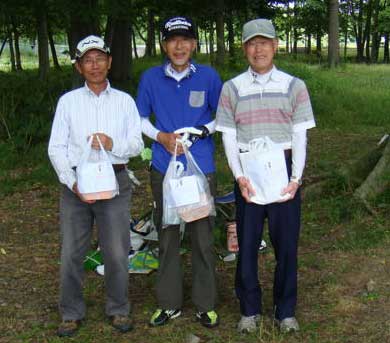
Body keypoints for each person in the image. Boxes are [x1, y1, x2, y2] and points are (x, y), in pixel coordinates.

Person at [216, 19, 316, 333]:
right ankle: (249, 309)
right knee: (246, 245)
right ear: (245, 48)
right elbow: (229, 138)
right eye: (252, 43)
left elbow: (300, 136)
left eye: (264, 43)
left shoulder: (294, 86)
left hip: (284, 171)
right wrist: (239, 177)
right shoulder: (232, 88)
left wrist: (296, 178)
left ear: (275, 46)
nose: (258, 50)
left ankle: (285, 310)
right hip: (249, 173)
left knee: (286, 245)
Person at [48, 35, 144, 337]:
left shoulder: (124, 102)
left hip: (114, 182)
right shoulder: (68, 102)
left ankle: (118, 309)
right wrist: (72, 181)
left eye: (99, 58)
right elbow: (56, 148)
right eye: (87, 60)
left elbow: (137, 144)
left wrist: (113, 143)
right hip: (77, 185)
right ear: (79, 67)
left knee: (116, 251)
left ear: (109, 62)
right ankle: (71, 312)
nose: (94, 65)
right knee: (71, 252)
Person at [136, 16, 222, 328]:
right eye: (173, 39)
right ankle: (169, 303)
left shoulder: (209, 77)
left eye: (185, 39)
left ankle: (205, 304)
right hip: (164, 167)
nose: (179, 45)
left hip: (200, 168)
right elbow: (141, 119)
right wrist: (160, 136)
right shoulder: (150, 78)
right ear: (164, 45)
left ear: (195, 44)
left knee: (201, 237)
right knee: (168, 234)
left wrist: (201, 130)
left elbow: (222, 118)